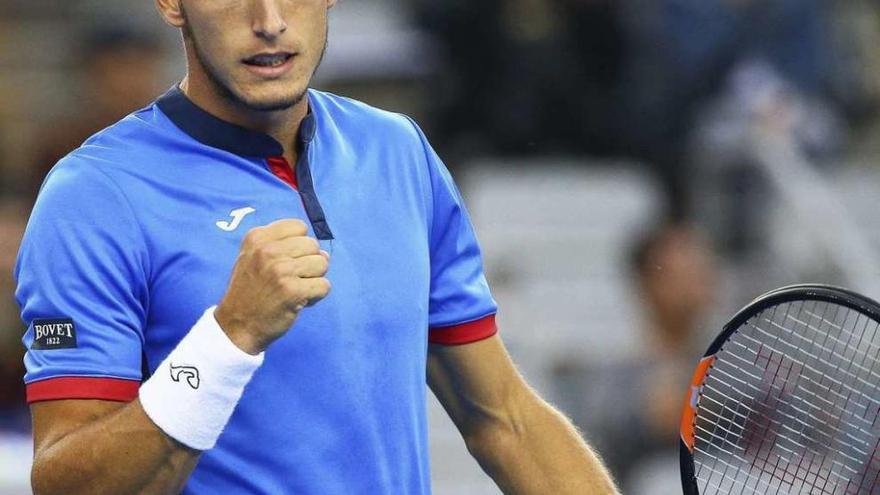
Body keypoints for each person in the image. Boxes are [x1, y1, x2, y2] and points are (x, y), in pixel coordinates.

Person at [15, 1, 619, 494]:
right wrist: (228, 339)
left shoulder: (399, 150)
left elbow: (504, 419)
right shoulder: (94, 194)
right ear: (173, 5)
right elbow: (69, 485)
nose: (270, 19)